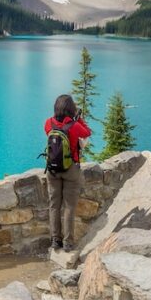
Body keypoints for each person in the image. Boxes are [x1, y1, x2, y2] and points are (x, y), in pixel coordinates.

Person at [44, 94, 92, 251]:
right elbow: (87, 133)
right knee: (69, 206)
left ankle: (55, 240)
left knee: (54, 205)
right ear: (71, 109)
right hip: (71, 169)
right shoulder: (74, 125)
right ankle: (68, 243)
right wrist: (79, 119)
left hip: (52, 169)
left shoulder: (48, 123)